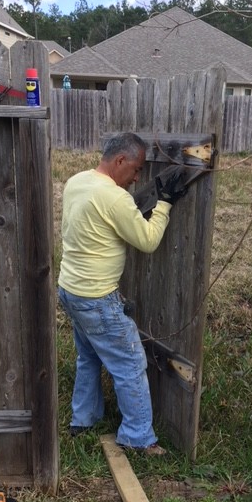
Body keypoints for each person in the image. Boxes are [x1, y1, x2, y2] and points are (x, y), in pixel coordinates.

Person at [58, 132, 186, 456]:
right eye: (137, 168)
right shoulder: (114, 198)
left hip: (70, 290)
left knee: (88, 356)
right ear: (120, 161)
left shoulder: (77, 181)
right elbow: (148, 240)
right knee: (130, 364)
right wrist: (166, 204)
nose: (138, 177)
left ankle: (83, 420)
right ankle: (138, 437)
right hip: (97, 298)